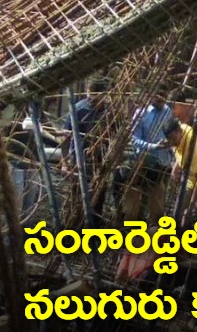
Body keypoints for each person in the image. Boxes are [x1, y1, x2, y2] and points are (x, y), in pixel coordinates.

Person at [118, 91, 174, 224]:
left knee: (158, 199)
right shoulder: (141, 113)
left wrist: (169, 143)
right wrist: (153, 146)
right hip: (143, 162)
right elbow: (134, 139)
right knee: (135, 198)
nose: (162, 100)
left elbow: (172, 132)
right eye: (159, 96)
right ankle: (132, 227)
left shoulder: (168, 112)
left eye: (164, 97)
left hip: (163, 163)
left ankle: (154, 231)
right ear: (153, 97)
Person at [61, 78, 110, 227]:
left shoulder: (110, 112)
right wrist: (64, 163)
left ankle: (93, 233)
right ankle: (72, 231)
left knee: (98, 198)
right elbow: (65, 138)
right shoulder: (78, 109)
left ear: (104, 95)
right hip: (79, 162)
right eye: (89, 94)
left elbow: (115, 135)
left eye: (95, 94)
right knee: (76, 198)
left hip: (101, 162)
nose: (90, 98)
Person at [163, 118, 197, 225]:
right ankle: (178, 235)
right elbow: (181, 154)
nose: (172, 142)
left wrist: (190, 208)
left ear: (179, 132)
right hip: (190, 177)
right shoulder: (181, 129)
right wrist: (175, 168)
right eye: (169, 139)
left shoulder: (194, 149)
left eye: (173, 138)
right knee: (179, 209)